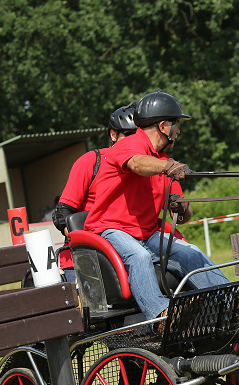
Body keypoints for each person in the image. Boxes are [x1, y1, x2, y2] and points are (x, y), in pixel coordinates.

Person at [83, 90, 229, 323]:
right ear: (163, 125)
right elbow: (137, 163)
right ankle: (162, 316)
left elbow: (184, 216)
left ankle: (231, 301)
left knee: (190, 251)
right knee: (138, 256)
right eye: (176, 124)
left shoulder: (163, 162)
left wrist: (181, 208)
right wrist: (167, 167)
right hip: (108, 229)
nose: (179, 131)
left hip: (146, 232)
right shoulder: (130, 145)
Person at [53, 104, 138, 283]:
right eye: (128, 135)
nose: (133, 142)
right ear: (113, 135)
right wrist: (84, 247)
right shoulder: (92, 161)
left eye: (137, 137)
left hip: (124, 251)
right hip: (85, 257)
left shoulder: (141, 168)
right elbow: (63, 213)